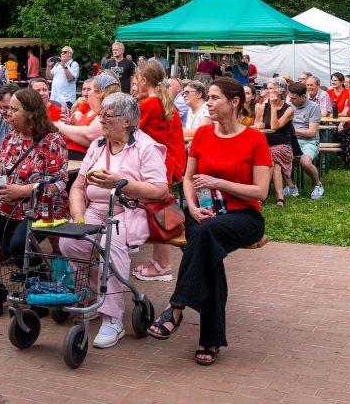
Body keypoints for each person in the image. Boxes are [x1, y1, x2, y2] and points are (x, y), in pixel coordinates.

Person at [147, 77, 271, 366]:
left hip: (243, 216)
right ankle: (210, 339)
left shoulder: (255, 139)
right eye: (209, 98)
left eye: (215, 98)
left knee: (206, 235)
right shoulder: (203, 134)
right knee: (208, 249)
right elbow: (188, 178)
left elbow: (260, 192)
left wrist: (218, 182)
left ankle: (176, 306)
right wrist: (191, 207)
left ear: (235, 102)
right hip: (201, 212)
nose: (209, 103)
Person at [61, 92, 169, 349]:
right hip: (95, 209)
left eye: (107, 116)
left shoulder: (146, 147)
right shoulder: (98, 145)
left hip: (130, 210)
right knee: (70, 242)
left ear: (126, 121)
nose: (101, 120)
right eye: (101, 115)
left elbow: (161, 190)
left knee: (111, 246)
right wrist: (78, 218)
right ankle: (90, 298)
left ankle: (113, 318)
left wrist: (120, 183)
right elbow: (78, 187)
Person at [0, 87, 69, 318]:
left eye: (13, 109)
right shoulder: (12, 135)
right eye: (6, 109)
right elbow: (2, 162)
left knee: (19, 245)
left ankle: (39, 291)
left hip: (41, 207)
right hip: (7, 204)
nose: (7, 113)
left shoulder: (52, 140)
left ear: (31, 113)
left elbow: (60, 182)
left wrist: (23, 190)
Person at [131, 60, 186, 282]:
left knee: (159, 212)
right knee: (160, 210)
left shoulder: (148, 104)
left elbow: (127, 131)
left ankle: (163, 266)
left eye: (137, 80)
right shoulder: (166, 103)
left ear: (144, 81)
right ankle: (159, 261)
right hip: (171, 163)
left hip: (159, 165)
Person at [57, 74, 120, 161]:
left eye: (89, 89)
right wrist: (69, 124)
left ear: (99, 93)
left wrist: (61, 127)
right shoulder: (90, 110)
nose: (86, 93)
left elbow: (91, 135)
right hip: (68, 152)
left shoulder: (106, 112)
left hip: (79, 157)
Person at [260, 78, 296, 206]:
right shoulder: (264, 105)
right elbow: (259, 122)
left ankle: (263, 195)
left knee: (272, 159)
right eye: (267, 88)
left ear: (280, 91)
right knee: (274, 163)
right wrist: (260, 124)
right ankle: (280, 198)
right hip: (266, 144)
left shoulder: (289, 109)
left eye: (270, 88)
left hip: (283, 146)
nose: (267, 91)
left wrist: (274, 106)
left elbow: (275, 126)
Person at [288, 82, 324, 200]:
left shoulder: (314, 107)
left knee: (305, 162)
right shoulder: (289, 105)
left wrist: (292, 131)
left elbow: (312, 132)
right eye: (290, 97)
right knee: (278, 158)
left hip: (309, 141)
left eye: (294, 98)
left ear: (303, 96)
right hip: (291, 140)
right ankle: (291, 187)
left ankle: (317, 185)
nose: (291, 100)